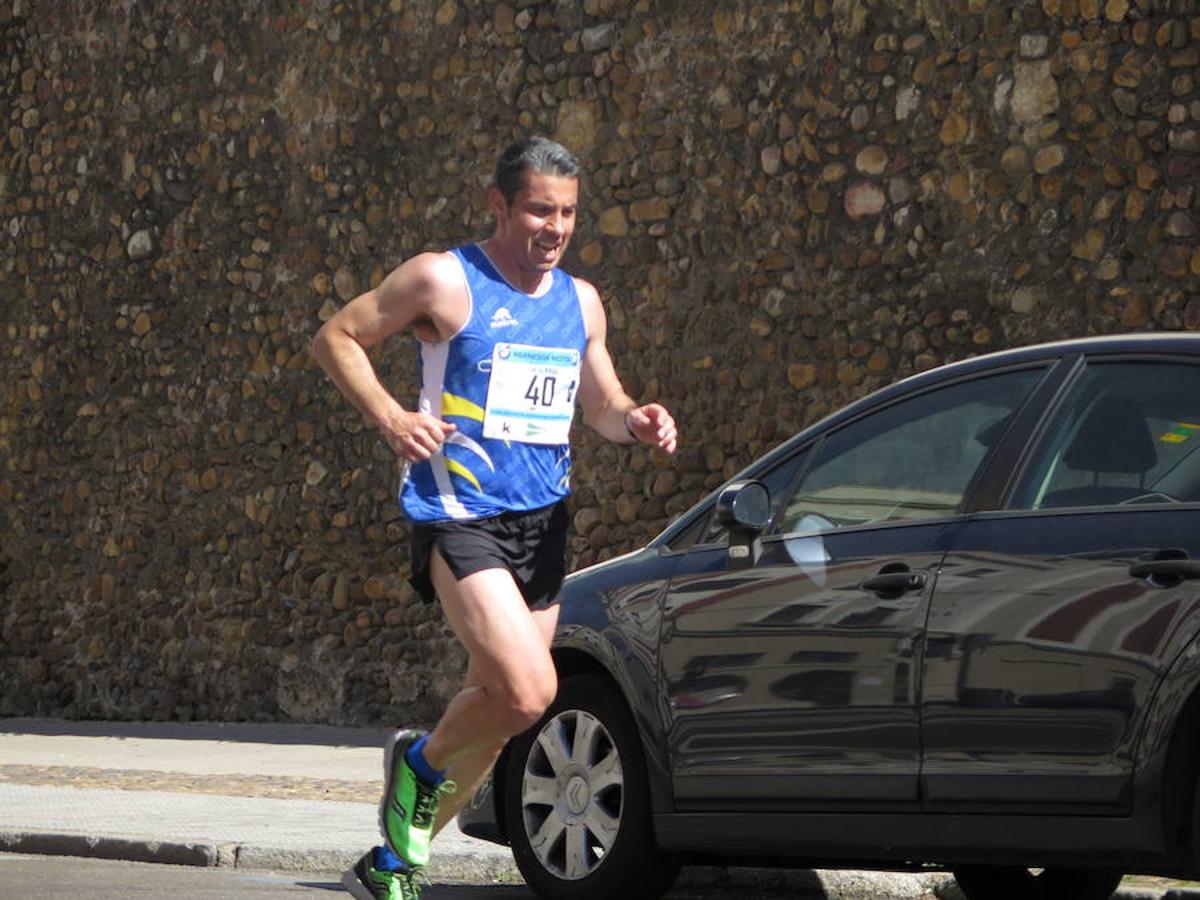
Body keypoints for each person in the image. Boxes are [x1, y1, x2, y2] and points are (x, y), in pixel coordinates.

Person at [311, 135, 677, 900]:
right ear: (500, 205)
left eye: (569, 213)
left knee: (498, 713)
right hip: (458, 513)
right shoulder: (445, 280)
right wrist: (388, 415)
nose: (556, 227)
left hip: (541, 525)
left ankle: (393, 867)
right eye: (540, 209)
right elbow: (338, 336)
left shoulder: (579, 302)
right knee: (526, 692)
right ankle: (416, 766)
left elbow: (600, 402)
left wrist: (636, 420)